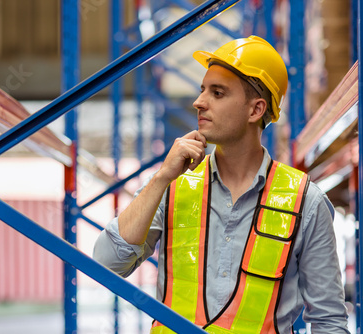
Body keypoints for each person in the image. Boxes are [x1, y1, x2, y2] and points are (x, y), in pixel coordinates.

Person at [93, 36, 349, 333]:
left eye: (217, 93)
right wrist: (161, 178)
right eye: (203, 90)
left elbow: (328, 321)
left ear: (255, 110)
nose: (199, 102)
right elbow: (106, 265)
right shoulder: (173, 185)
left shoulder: (306, 201)